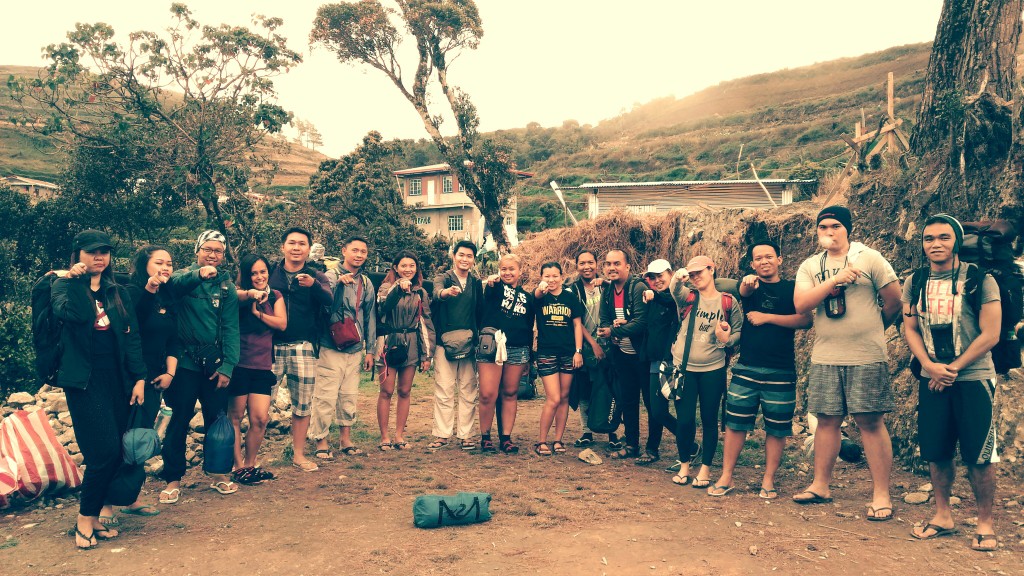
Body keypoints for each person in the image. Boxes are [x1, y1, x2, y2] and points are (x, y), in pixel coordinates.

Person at [793, 206, 901, 521]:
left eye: (836, 225)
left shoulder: (870, 258)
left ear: (848, 229)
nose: (829, 230)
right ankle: (820, 485)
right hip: (827, 354)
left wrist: (875, 328)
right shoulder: (811, 265)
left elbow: (894, 300)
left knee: (870, 422)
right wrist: (835, 281)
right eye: (823, 226)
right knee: (826, 420)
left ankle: (881, 494)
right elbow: (801, 304)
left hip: (866, 354)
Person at [903, 214, 1001, 551]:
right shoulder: (914, 281)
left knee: (979, 454)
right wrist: (930, 366)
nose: (936, 244)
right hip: (933, 379)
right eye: (929, 238)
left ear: (956, 241)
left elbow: (991, 335)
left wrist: (952, 368)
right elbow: (910, 328)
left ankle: (985, 522)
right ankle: (943, 515)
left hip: (974, 379)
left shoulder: (980, 280)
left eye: (944, 237)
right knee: (937, 450)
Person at [52, 230, 147, 549]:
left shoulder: (117, 292)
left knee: (115, 450)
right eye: (91, 252)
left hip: (117, 379)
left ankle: (92, 519)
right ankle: (84, 519)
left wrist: (138, 378)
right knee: (102, 451)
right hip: (84, 381)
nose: (99, 257)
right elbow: (74, 315)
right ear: (77, 255)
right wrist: (77, 282)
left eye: (104, 252)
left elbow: (132, 337)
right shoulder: (63, 286)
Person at [709, 241, 811, 497]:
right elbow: (743, 290)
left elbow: (805, 320)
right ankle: (726, 476)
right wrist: (746, 282)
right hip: (746, 368)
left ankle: (768, 480)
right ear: (752, 264)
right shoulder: (750, 288)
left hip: (781, 369)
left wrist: (767, 318)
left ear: (780, 259)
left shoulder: (792, 288)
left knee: (777, 428)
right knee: (735, 424)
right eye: (758, 258)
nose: (764, 261)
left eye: (769, 257)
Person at [160, 230, 240, 501]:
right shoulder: (183, 277)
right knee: (178, 420)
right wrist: (198, 274)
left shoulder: (227, 285)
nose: (212, 255)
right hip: (183, 363)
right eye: (207, 249)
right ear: (197, 250)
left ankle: (219, 474)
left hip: (214, 365)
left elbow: (231, 327)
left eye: (218, 251)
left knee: (217, 421)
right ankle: (172, 479)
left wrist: (228, 365)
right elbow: (171, 287)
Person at [108, 246, 179, 519]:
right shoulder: (131, 292)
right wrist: (149, 290)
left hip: (154, 379)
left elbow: (173, 339)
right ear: (144, 266)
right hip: (127, 378)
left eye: (169, 263)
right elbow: (131, 324)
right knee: (119, 438)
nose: (165, 267)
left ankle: (131, 497)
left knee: (139, 438)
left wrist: (170, 373)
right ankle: (105, 503)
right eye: (159, 262)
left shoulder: (167, 297)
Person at [667, 256, 743, 488]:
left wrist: (727, 338)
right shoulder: (688, 296)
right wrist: (679, 277)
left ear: (712, 270)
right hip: (683, 368)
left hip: (713, 369)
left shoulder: (728, 302)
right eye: (692, 274)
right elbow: (674, 289)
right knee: (685, 419)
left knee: (710, 420)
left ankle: (707, 469)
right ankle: (684, 465)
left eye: (700, 272)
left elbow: (739, 331)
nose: (695, 277)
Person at [268, 227, 334, 472]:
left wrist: (313, 285)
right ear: (283, 246)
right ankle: (251, 458)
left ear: (309, 249)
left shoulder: (316, 275)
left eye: (302, 244)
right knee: (262, 405)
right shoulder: (270, 274)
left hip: (303, 346)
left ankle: (298, 454)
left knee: (302, 404)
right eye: (292, 243)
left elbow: (330, 299)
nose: (296, 248)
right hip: (269, 346)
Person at [311, 236, 375, 458]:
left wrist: (371, 350)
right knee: (325, 395)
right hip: (330, 345)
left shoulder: (366, 282)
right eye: (355, 250)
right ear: (344, 251)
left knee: (349, 395)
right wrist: (338, 285)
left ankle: (345, 440)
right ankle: (321, 441)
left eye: (363, 252)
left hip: (355, 346)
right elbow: (325, 307)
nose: (359, 255)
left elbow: (370, 317)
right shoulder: (328, 276)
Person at [229, 254, 286, 485]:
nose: (259, 276)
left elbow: (282, 324)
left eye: (263, 271)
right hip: (239, 364)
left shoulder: (275, 296)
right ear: (246, 274)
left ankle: (250, 464)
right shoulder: (238, 294)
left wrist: (258, 313)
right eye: (254, 273)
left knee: (260, 418)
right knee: (235, 417)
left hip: (263, 365)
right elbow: (236, 295)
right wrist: (251, 297)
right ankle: (237, 466)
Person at [375, 250, 435, 450]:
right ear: (395, 268)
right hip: (389, 342)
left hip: (411, 343)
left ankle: (399, 435)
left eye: (412, 266)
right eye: (403, 266)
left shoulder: (421, 293)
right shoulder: (385, 287)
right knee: (386, 390)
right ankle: (384, 436)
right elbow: (383, 307)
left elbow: (425, 324)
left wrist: (427, 355)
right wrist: (397, 289)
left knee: (405, 391)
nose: (407, 269)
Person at [428, 240, 484, 451]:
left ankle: (466, 434)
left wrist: (479, 340)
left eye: (469, 256)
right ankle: (442, 434)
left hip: (469, 343)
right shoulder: (443, 278)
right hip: (445, 342)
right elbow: (436, 293)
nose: (465, 259)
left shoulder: (476, 283)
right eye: (461, 255)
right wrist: (446, 293)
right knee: (444, 388)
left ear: (473, 259)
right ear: (454, 255)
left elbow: (479, 312)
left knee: (468, 388)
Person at [478, 253, 536, 454]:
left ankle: (506, 437)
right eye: (504, 269)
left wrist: (530, 355)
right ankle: (485, 436)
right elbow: (489, 292)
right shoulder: (494, 288)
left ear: (520, 271)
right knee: (488, 394)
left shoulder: (528, 298)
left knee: (510, 393)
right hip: (492, 346)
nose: (507, 272)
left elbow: (529, 327)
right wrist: (492, 283)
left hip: (518, 349)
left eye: (512, 269)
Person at [598, 250, 648, 460]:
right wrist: (608, 332)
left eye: (617, 263)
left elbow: (641, 322)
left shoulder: (637, 288)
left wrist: (614, 331)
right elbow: (603, 320)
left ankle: (653, 447)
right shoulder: (608, 292)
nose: (612, 268)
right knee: (628, 400)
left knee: (652, 404)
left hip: (643, 355)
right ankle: (632, 445)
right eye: (608, 264)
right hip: (622, 354)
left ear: (627, 266)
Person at [568, 250, 619, 450]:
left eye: (590, 262)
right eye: (582, 263)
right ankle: (586, 431)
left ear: (598, 265)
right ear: (577, 266)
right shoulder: (573, 290)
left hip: (611, 345)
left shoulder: (608, 286)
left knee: (611, 390)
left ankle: (613, 431)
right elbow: (576, 322)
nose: (586, 266)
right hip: (587, 347)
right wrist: (593, 345)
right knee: (585, 391)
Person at [532, 262, 584, 455]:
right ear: (542, 277)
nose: (551, 280)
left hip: (568, 352)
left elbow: (578, 325)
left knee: (564, 398)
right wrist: (540, 288)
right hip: (547, 352)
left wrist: (578, 351)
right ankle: (541, 441)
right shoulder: (540, 296)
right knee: (553, 398)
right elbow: (536, 295)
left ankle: (558, 440)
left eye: (555, 276)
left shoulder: (570, 298)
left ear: (561, 276)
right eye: (547, 276)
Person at [638, 259, 680, 466]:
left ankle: (688, 444)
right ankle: (653, 448)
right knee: (655, 409)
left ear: (671, 273)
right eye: (652, 277)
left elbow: (671, 299)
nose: (656, 280)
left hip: (673, 361)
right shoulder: (651, 299)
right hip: (652, 360)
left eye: (660, 275)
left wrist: (655, 295)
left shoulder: (679, 295)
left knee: (664, 410)